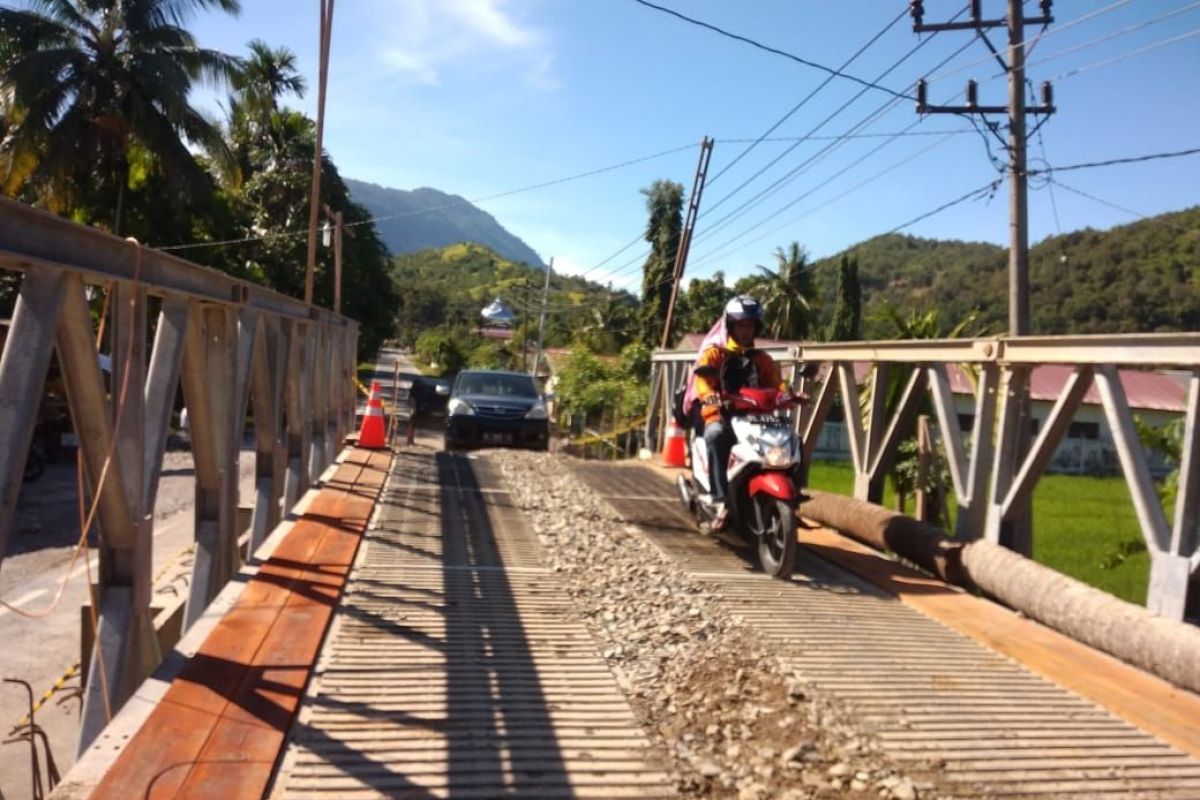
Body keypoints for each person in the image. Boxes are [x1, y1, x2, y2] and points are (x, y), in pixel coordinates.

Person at [691, 295, 789, 530]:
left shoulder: (762, 359)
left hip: (754, 417)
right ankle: (720, 499)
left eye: (750, 325)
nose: (746, 330)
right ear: (731, 326)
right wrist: (709, 395)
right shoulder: (716, 353)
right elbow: (702, 380)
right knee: (716, 435)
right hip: (721, 412)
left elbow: (777, 384)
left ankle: (792, 494)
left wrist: (789, 395)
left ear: (756, 328)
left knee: (794, 440)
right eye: (741, 325)